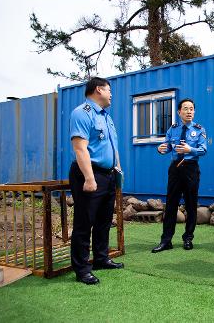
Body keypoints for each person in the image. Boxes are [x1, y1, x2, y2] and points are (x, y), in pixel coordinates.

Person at [69, 77, 124, 285]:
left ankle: (101, 258)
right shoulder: (82, 113)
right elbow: (80, 148)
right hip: (89, 174)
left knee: (103, 221)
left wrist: (117, 170)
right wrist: (90, 178)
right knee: (84, 223)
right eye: (109, 90)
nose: (111, 94)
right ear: (98, 90)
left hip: (108, 175)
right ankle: (82, 269)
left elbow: (113, 147)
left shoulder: (106, 117)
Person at [152, 98, 207, 253]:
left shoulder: (199, 129)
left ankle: (188, 238)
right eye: (186, 109)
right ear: (179, 112)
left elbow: (203, 149)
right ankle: (166, 240)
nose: (189, 111)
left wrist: (190, 150)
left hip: (191, 169)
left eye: (191, 109)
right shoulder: (173, 128)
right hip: (175, 169)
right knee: (171, 205)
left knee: (191, 205)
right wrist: (161, 148)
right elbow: (168, 145)